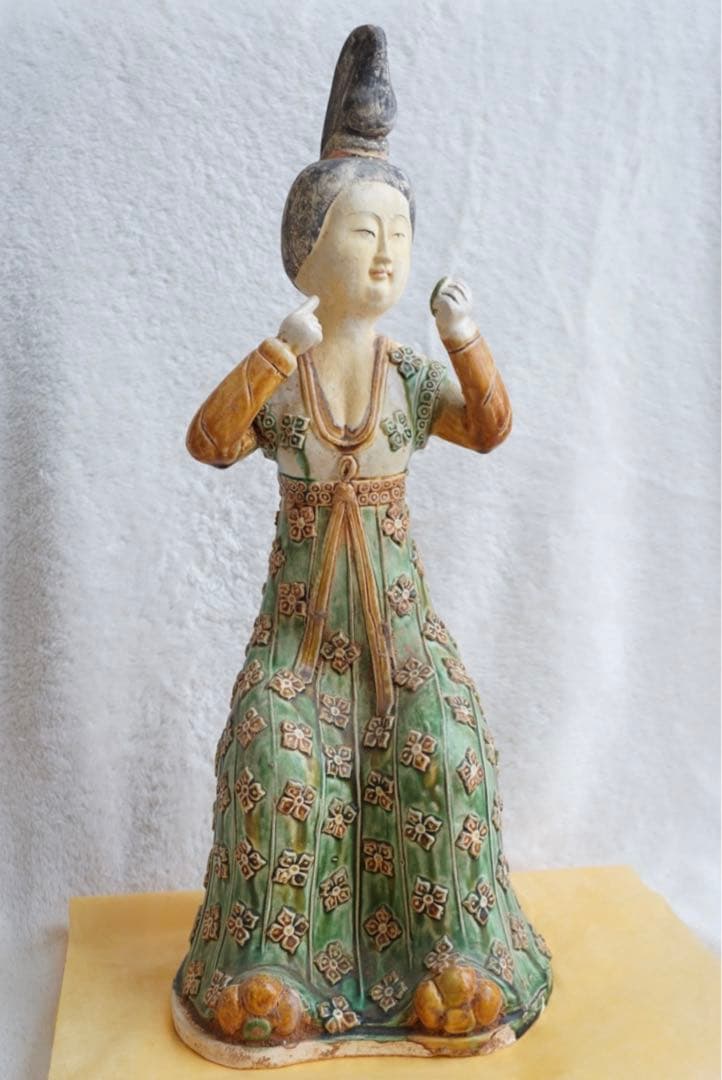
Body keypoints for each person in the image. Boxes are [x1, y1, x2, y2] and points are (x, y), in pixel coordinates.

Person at [172, 24, 552, 1067]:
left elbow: (489, 429)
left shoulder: (410, 377)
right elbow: (210, 442)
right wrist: (272, 352)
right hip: (300, 642)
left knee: (443, 746)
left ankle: (452, 966)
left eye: (398, 232)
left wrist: (466, 340)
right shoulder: (289, 374)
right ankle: (272, 977)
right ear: (304, 249)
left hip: (400, 634)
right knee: (276, 752)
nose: (384, 253)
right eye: (359, 231)